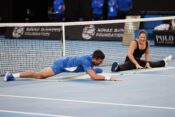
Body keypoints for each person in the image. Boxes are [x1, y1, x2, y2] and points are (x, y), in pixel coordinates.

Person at [4, 50, 118, 81]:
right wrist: (109, 78)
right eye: (100, 61)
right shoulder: (86, 61)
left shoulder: (90, 58)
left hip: (64, 60)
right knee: (40, 75)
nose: (101, 63)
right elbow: (93, 77)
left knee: (96, 70)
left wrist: (95, 69)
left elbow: (93, 70)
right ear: (95, 58)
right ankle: (12, 75)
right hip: (61, 65)